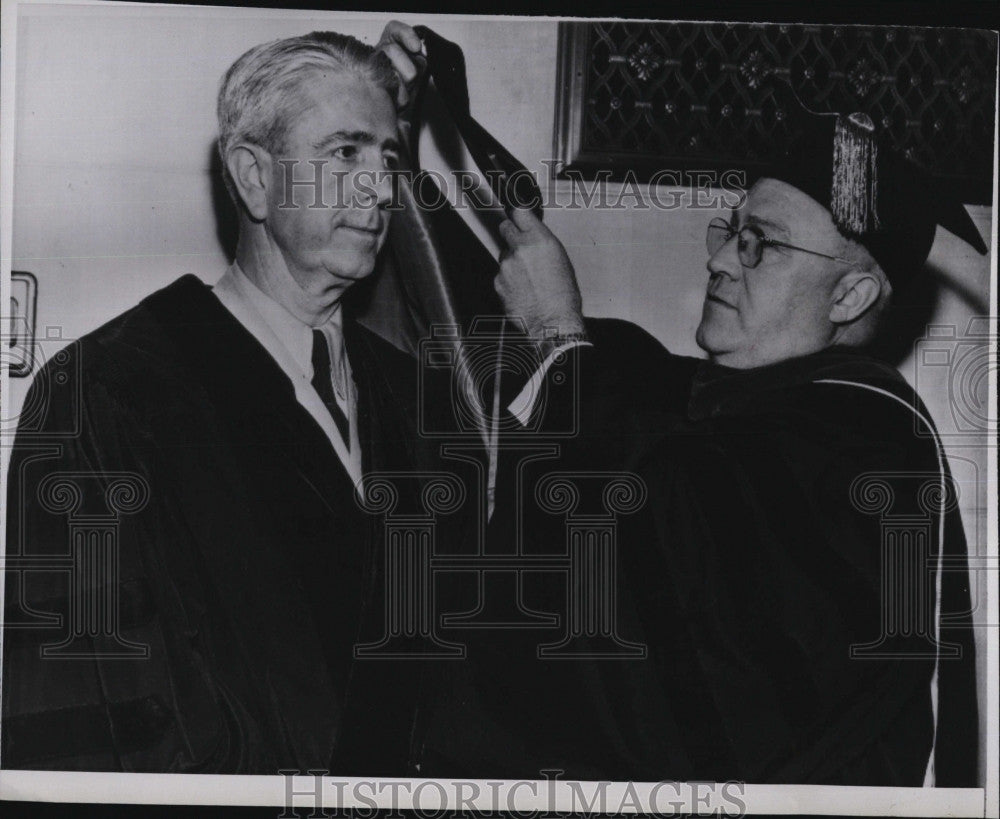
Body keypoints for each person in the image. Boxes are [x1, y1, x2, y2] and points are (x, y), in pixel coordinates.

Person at [424, 101, 986, 784]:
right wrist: (409, 142)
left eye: (762, 244)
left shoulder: (866, 440)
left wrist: (559, 340)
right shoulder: (734, 400)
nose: (720, 260)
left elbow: (677, 579)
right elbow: (602, 370)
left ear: (849, 297)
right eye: (730, 231)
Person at [1, 26, 471, 775]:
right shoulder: (104, 394)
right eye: (344, 153)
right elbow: (96, 709)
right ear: (253, 177)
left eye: (389, 160)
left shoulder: (418, 400)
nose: (380, 188)